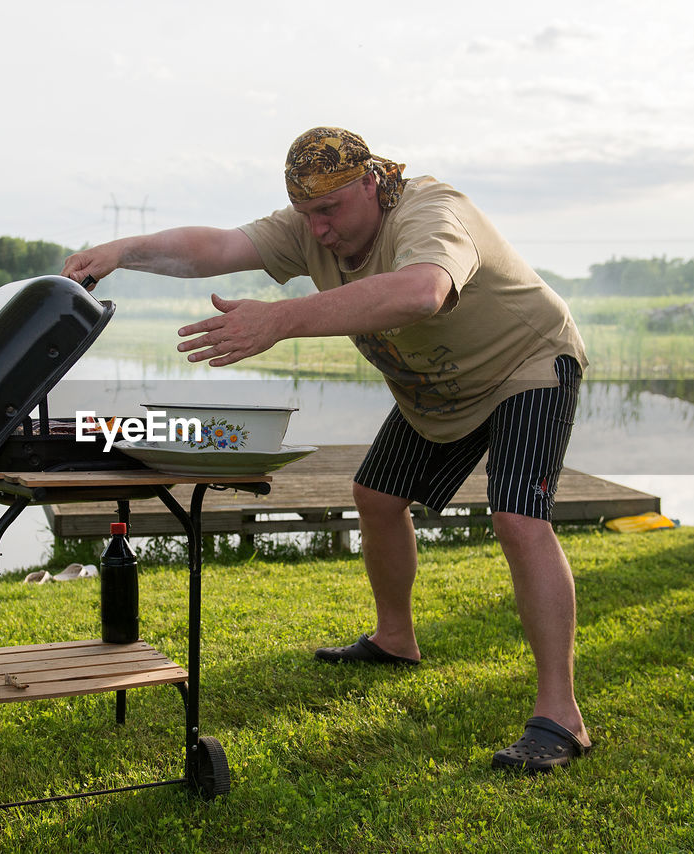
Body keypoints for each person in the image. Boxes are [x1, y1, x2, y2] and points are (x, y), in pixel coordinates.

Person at [62, 126, 594, 772]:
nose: (317, 230)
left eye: (330, 210)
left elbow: (421, 290)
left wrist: (281, 319)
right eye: (307, 214)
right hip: (440, 388)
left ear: (370, 183)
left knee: (518, 518)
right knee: (376, 495)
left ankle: (560, 718)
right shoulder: (312, 224)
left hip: (525, 362)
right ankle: (395, 639)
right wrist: (123, 248)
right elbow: (219, 246)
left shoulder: (431, 210)